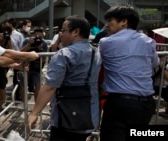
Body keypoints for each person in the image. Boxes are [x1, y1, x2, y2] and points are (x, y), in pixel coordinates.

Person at [27, 15, 101, 141]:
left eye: (64, 30)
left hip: (66, 117)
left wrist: (34, 113)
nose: (61, 34)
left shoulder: (64, 54)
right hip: (89, 114)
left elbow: (50, 87)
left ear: (76, 32)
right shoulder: (96, 52)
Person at [98, 5, 160, 141]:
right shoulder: (148, 41)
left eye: (110, 21)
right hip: (146, 104)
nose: (106, 25)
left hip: (120, 103)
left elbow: (97, 64)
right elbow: (155, 63)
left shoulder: (106, 42)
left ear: (124, 22)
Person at [20, 27, 48, 102]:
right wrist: (29, 44)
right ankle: (24, 105)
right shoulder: (27, 40)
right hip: (26, 65)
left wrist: (41, 50)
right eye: (36, 34)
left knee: (37, 86)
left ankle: (37, 105)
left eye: (40, 35)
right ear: (33, 34)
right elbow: (21, 52)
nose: (38, 37)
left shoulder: (44, 43)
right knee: (23, 85)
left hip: (37, 67)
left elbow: (44, 59)